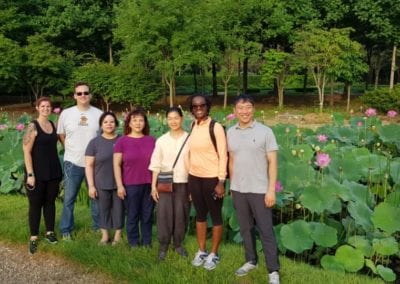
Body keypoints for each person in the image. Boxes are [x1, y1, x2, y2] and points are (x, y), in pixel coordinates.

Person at [227, 94, 280, 284]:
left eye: (248, 107)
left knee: (266, 230)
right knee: (245, 228)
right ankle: (251, 260)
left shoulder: (266, 132)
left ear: (253, 109)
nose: (244, 112)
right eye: (240, 108)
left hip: (260, 189)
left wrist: (271, 189)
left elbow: (273, 162)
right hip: (239, 189)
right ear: (235, 110)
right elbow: (232, 160)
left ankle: (273, 270)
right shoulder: (230, 132)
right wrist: (232, 185)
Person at [187, 94, 228, 270]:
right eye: (195, 106)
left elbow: (223, 154)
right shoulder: (192, 125)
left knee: (216, 216)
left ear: (207, 107)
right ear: (191, 109)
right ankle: (202, 250)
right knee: (200, 215)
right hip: (195, 177)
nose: (198, 109)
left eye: (202, 105)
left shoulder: (216, 127)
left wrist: (221, 181)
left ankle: (214, 254)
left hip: (212, 178)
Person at [57, 82, 103, 240]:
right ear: (74, 96)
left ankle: (97, 227)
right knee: (69, 198)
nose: (83, 95)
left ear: (90, 95)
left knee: (95, 197)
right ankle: (66, 230)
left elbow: (104, 136)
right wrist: (69, 148)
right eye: (79, 93)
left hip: (94, 163)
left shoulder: (98, 114)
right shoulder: (66, 114)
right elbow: (61, 134)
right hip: (72, 162)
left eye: (85, 93)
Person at [22, 97, 63, 254]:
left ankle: (50, 232)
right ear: (37, 108)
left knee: (50, 202)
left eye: (48, 106)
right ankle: (33, 237)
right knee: (35, 205)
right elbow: (26, 151)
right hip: (36, 173)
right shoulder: (33, 126)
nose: (46, 108)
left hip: (53, 171)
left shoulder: (52, 125)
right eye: (43, 106)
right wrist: (30, 174)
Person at [149, 107, 190, 261]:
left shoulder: (189, 139)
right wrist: (153, 186)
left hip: (184, 182)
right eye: (170, 118)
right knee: (164, 214)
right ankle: (163, 245)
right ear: (166, 120)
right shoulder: (161, 140)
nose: (173, 121)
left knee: (182, 214)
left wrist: (192, 187)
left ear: (182, 119)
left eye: (176, 118)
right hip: (165, 182)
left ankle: (178, 244)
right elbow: (155, 164)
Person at [113, 109, 155, 247]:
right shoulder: (122, 141)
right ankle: (134, 243)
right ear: (129, 123)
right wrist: (120, 185)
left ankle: (147, 242)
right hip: (130, 184)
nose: (138, 123)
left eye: (141, 120)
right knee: (132, 215)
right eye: (134, 120)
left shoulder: (152, 141)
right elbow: (117, 165)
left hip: (149, 183)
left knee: (147, 215)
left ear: (145, 123)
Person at [85, 111, 123, 246]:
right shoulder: (94, 143)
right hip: (101, 182)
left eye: (112, 122)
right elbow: (89, 165)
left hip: (120, 183)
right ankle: (105, 236)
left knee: (119, 209)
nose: (109, 124)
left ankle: (118, 236)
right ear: (101, 125)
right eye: (105, 122)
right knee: (103, 209)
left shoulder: (122, 140)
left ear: (116, 124)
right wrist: (91, 186)